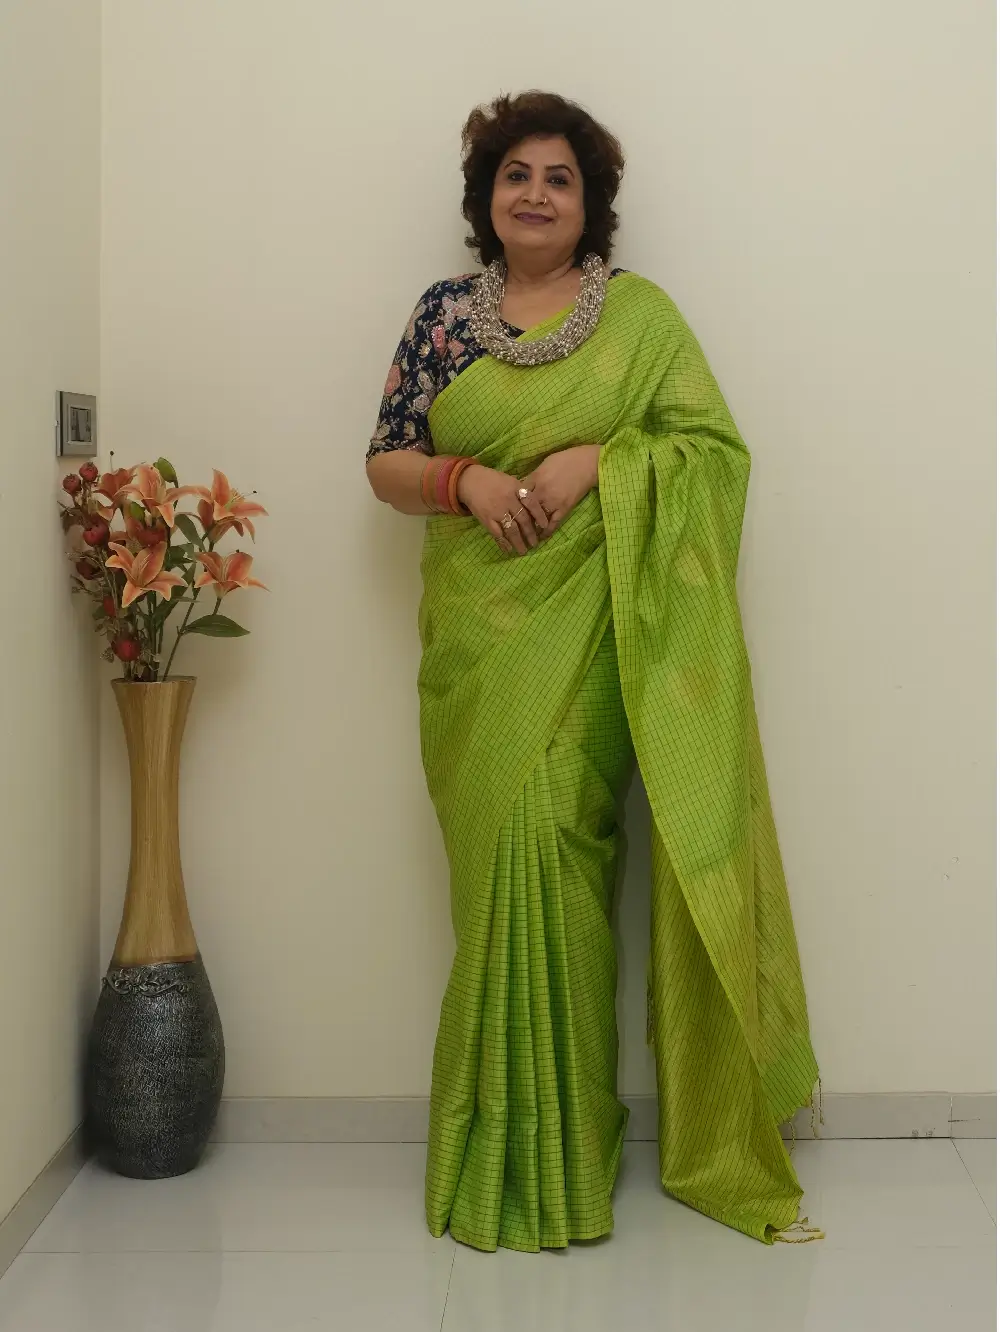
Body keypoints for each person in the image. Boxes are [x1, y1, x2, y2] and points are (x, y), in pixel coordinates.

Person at [366, 90, 820, 1254]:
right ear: (485, 196)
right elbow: (385, 463)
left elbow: (713, 455)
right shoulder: (442, 319)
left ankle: (567, 1153)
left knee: (564, 864)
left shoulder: (641, 319)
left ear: (590, 203)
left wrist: (599, 459)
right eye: (514, 174)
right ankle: (494, 1147)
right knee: (496, 877)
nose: (534, 194)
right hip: (478, 639)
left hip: (596, 641)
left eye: (558, 178)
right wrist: (465, 479)